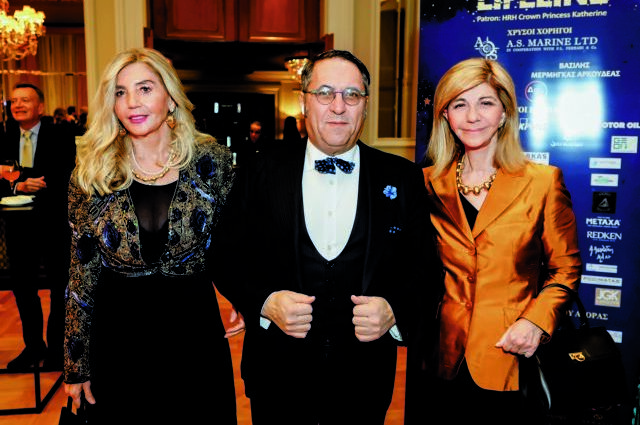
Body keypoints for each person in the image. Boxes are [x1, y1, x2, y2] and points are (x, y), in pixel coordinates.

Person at [212, 49, 439, 425]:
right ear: (304, 102)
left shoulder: (402, 177)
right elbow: (224, 255)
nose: (338, 106)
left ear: (365, 105)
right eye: (325, 93)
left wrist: (394, 309)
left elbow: (425, 268)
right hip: (276, 376)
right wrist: (266, 302)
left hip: (364, 380)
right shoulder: (259, 169)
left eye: (352, 94)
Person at [63, 47, 242, 424]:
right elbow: (81, 273)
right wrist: (75, 365)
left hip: (194, 333)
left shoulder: (211, 162)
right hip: (118, 339)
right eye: (120, 92)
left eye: (144, 88)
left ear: (171, 98)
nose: (132, 102)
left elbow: (234, 242)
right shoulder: (92, 173)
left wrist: (245, 296)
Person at [410, 57, 582, 425]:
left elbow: (565, 269)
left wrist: (536, 322)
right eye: (459, 104)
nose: (472, 116)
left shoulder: (543, 182)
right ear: (445, 116)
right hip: (439, 358)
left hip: (511, 357)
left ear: (504, 112)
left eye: (485, 103)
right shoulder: (424, 184)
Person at [0, 83, 76, 372]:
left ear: (40, 107)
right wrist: (17, 185)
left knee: (59, 287)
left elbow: (67, 174)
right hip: (17, 224)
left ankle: (57, 350)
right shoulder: (3, 136)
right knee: (23, 288)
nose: (18, 105)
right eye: (14, 101)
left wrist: (38, 183)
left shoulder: (60, 134)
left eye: (25, 100)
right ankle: (33, 347)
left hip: (53, 222)